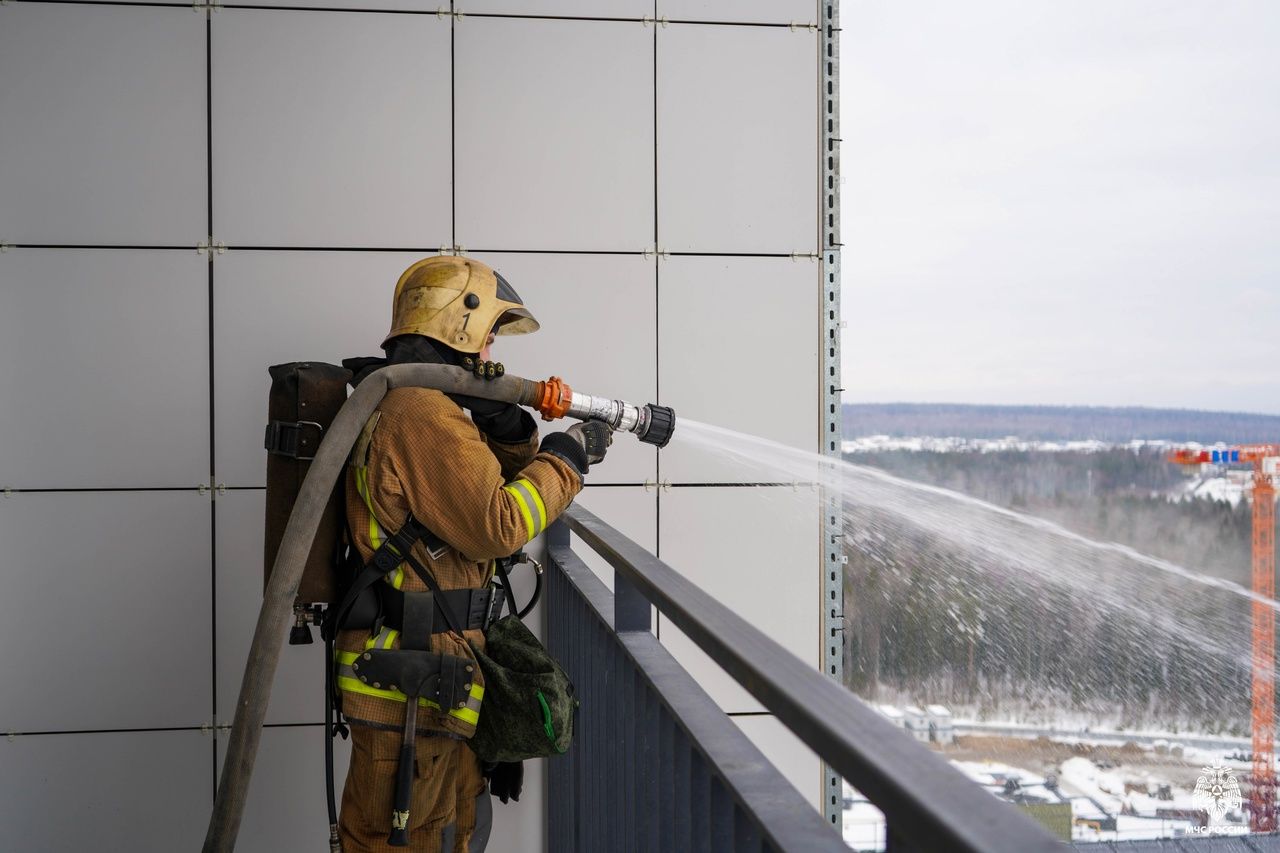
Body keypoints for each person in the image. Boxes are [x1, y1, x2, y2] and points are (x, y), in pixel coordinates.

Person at [335, 255, 612, 852]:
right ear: (456, 326)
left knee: (449, 835)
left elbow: (478, 485)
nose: (491, 350)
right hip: (414, 684)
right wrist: (565, 460)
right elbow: (500, 523)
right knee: (404, 841)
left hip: (435, 676)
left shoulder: (419, 405)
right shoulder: (419, 413)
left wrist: (507, 425)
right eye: (487, 333)